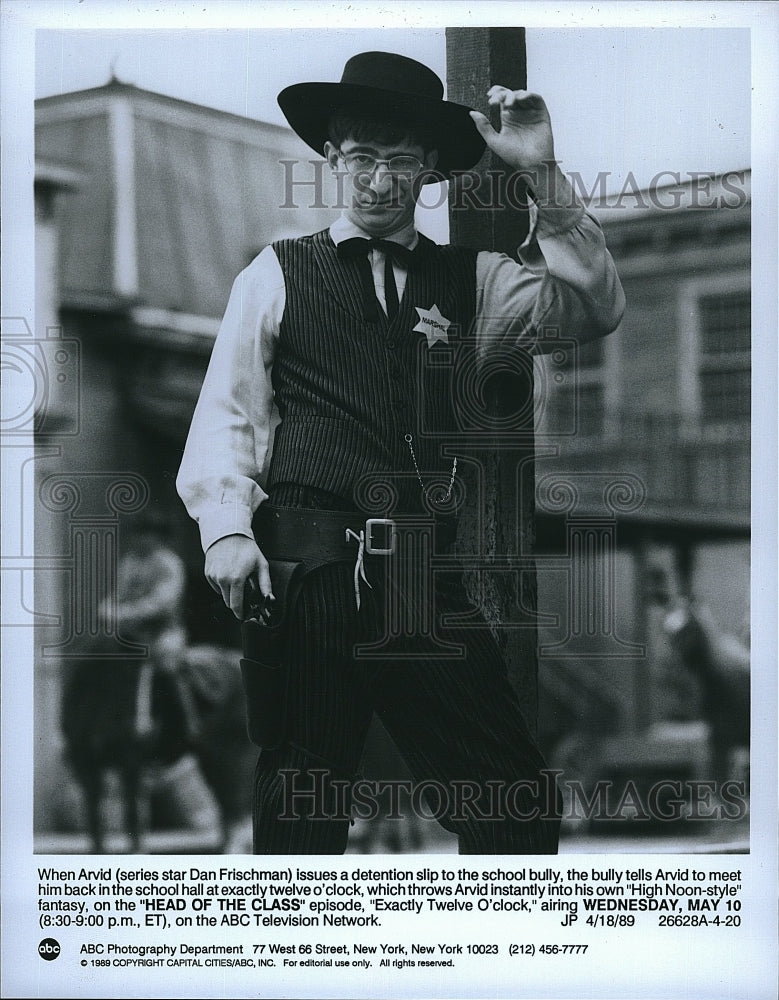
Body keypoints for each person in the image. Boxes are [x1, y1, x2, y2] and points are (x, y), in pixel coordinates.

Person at [177, 50, 625, 854]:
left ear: (428, 171)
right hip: (305, 571)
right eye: (362, 157)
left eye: (400, 160)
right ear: (332, 157)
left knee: (514, 804)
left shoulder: (479, 280)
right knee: (300, 813)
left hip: (422, 573)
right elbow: (228, 414)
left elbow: (593, 307)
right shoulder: (273, 274)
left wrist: (542, 174)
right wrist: (226, 530)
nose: (379, 180)